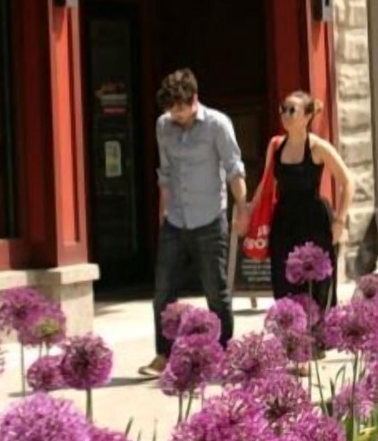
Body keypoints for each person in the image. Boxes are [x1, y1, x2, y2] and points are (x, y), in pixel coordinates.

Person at [140, 69, 247, 378]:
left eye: (181, 109)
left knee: (216, 292)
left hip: (210, 218)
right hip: (175, 217)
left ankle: (223, 355)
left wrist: (243, 208)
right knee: (163, 291)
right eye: (171, 110)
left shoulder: (217, 124)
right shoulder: (164, 126)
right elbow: (166, 172)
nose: (176, 115)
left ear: (194, 100)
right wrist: (163, 213)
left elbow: (233, 168)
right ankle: (164, 354)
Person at [241, 92, 354, 310]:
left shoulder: (318, 147)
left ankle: (319, 337)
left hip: (314, 222)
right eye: (283, 108)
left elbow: (348, 182)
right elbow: (265, 186)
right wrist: (249, 213)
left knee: (318, 283)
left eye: (292, 110)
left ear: (308, 115)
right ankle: (291, 336)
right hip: (284, 221)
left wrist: (339, 222)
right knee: (283, 281)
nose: (285, 114)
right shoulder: (276, 145)